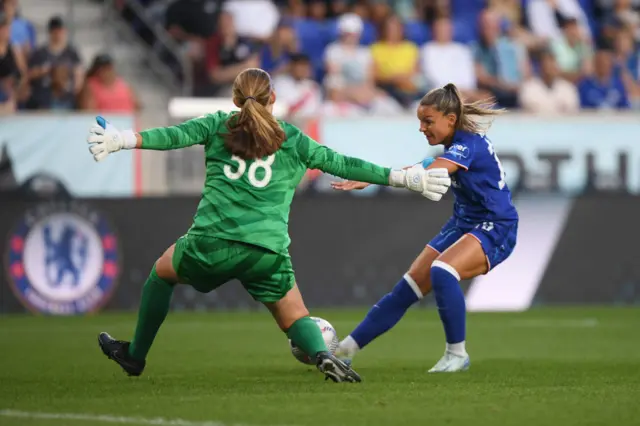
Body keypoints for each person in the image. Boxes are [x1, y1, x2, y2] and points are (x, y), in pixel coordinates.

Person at [87, 68, 452, 383]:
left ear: (235, 99)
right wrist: (404, 179)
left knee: (162, 272)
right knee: (295, 316)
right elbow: (342, 164)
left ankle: (135, 355)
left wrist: (123, 140)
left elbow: (172, 137)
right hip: (266, 251)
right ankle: (324, 355)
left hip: (210, 242)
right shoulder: (291, 138)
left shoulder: (217, 124)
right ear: (273, 97)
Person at [331, 83, 519, 373]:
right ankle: (345, 349)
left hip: (496, 225)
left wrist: (391, 178)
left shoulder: (468, 145)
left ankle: (457, 355)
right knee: (406, 289)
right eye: (420, 121)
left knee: (443, 271)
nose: (422, 128)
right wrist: (374, 178)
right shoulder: (453, 145)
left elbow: (432, 171)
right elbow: (422, 167)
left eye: (428, 121)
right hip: (463, 222)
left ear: (451, 119)